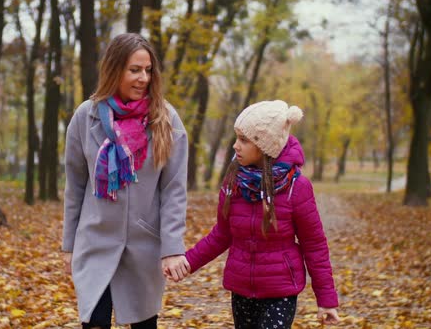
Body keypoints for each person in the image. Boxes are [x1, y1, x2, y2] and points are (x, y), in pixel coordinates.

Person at [172, 100, 340, 328]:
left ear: (265, 145)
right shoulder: (234, 182)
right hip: (241, 290)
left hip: (280, 291)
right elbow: (222, 235)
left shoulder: (296, 187)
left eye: (243, 140)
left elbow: (314, 245)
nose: (235, 146)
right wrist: (188, 262)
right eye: (236, 138)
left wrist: (326, 300)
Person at [61, 33, 190, 329]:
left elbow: (173, 191)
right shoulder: (86, 117)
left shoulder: (165, 120)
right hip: (94, 239)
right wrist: (69, 244)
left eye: (148, 70)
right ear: (115, 69)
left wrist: (172, 248)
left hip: (144, 244)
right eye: (134, 70)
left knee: (144, 325)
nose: (143, 78)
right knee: (94, 321)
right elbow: (75, 186)